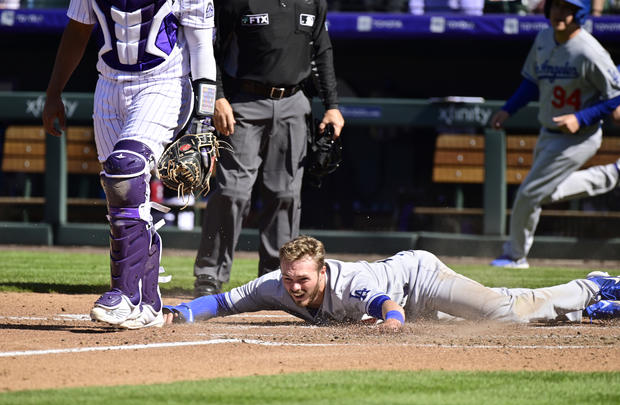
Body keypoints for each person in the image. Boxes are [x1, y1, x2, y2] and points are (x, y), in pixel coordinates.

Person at [42, 0, 218, 329]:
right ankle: (148, 302)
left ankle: (124, 294)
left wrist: (204, 121)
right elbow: (78, 30)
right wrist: (54, 92)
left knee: (125, 170)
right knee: (120, 194)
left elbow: (201, 46)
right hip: (108, 85)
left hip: (163, 83)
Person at [193, 0, 345, 297]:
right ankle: (210, 274)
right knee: (232, 192)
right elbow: (209, 49)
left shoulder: (313, 2)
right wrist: (217, 97)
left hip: (293, 102)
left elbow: (322, 51)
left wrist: (332, 107)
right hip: (243, 101)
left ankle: (278, 277)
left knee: (284, 193)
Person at [163, 235, 620, 329]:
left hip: (419, 280)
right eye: (289, 278)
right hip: (411, 299)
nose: (294, 287)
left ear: (321, 271)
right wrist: (182, 313)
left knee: (502, 313)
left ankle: (592, 286)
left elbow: (386, 305)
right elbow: (223, 302)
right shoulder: (276, 285)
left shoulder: (349, 283)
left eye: (301, 278)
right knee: (504, 309)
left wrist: (393, 324)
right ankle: (582, 309)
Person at [489, 0, 620, 268]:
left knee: (528, 194)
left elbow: (615, 98)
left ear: (579, 13)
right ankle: (614, 174)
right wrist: (508, 109)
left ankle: (515, 255)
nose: (560, 13)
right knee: (543, 192)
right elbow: (531, 81)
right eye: (556, 6)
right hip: (548, 132)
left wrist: (580, 117)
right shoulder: (543, 37)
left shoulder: (590, 50)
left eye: (567, 8)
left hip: (579, 137)